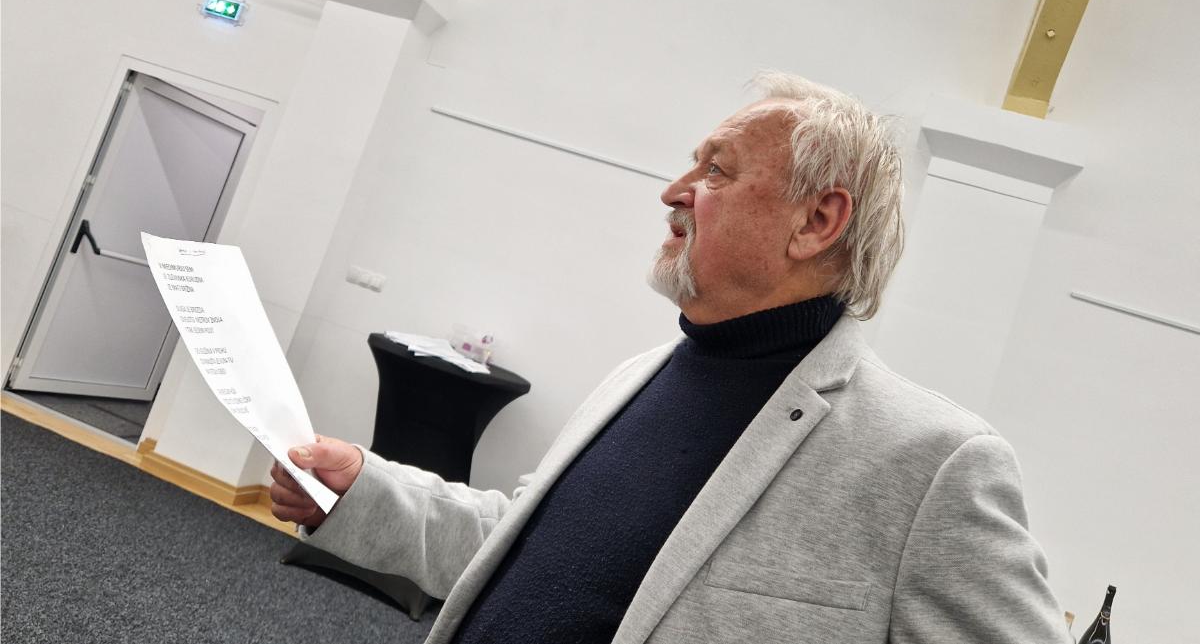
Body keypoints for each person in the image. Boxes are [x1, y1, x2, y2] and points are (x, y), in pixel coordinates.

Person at [268, 73, 1071, 643]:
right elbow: (517, 545)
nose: (674, 190)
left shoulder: (931, 462)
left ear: (817, 221)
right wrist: (363, 490)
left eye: (716, 169)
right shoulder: (641, 375)